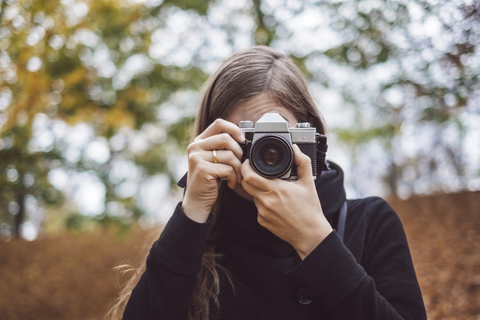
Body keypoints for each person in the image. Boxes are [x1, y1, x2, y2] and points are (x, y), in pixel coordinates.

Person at [107, 46, 427, 320]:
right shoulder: (199, 243)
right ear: (213, 144)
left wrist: (316, 240)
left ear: (311, 136)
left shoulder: (370, 223)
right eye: (248, 139)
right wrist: (192, 212)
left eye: (279, 138)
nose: (268, 154)